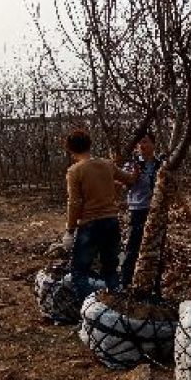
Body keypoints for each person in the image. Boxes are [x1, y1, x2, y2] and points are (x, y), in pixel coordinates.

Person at [63, 129, 137, 301]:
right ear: (90, 144)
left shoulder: (75, 171)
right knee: (110, 270)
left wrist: (70, 229)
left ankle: (91, 313)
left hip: (90, 225)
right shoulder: (107, 164)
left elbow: (74, 203)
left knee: (79, 272)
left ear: (71, 150)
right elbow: (130, 180)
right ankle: (118, 310)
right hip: (111, 222)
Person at [121, 131, 163, 289]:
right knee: (133, 248)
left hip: (156, 212)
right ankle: (126, 284)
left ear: (153, 144)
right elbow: (125, 185)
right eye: (140, 143)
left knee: (156, 249)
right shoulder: (132, 164)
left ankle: (154, 286)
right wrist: (133, 176)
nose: (142, 146)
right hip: (137, 210)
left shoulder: (161, 165)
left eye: (146, 142)